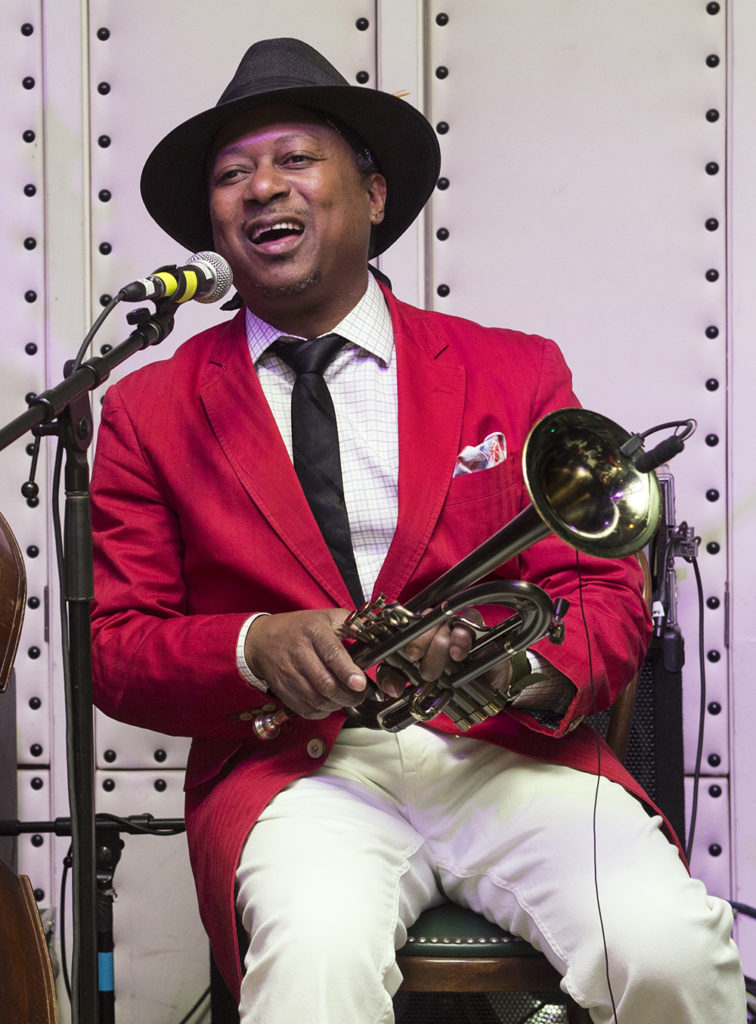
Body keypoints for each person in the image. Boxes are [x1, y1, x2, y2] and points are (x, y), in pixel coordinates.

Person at [89, 37, 746, 1024]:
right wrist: (250, 644)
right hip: (299, 770)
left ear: (375, 194)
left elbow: (601, 595)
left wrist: (512, 666)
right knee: (311, 979)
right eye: (232, 175)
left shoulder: (513, 370)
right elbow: (117, 647)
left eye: (294, 159)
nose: (261, 188)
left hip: (514, 754)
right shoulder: (147, 407)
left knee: (673, 955)